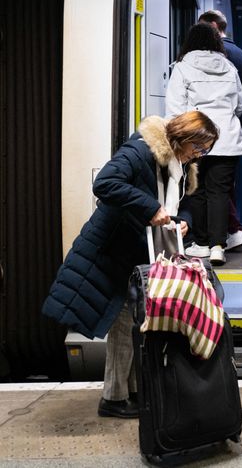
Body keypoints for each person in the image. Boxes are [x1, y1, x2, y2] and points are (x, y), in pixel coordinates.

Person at [42, 111, 219, 418]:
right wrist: (150, 208)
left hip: (138, 254)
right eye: (199, 148)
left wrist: (184, 221)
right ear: (183, 137)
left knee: (136, 321)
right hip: (113, 251)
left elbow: (184, 203)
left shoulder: (179, 166)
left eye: (205, 151)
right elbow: (105, 183)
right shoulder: (140, 150)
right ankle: (114, 398)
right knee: (125, 323)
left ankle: (132, 392)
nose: (199, 155)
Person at [166, 22, 242, 265]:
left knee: (196, 189)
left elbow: (175, 108)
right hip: (227, 138)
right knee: (220, 192)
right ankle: (217, 247)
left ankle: (202, 243)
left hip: (195, 138)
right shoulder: (230, 67)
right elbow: (239, 106)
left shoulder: (182, 67)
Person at [198, 9, 242, 251]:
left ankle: (216, 237)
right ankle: (230, 232)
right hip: (233, 129)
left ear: (214, 27)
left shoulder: (213, 57)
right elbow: (241, 102)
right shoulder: (240, 55)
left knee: (205, 188)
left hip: (204, 132)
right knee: (224, 186)